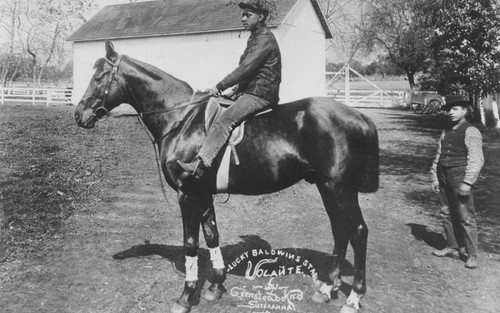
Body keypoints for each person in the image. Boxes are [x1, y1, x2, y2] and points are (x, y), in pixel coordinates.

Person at [177, 0, 281, 187]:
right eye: (243, 14)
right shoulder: (256, 37)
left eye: (248, 15)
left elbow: (246, 68)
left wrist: (220, 86)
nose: (243, 18)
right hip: (252, 89)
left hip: (261, 93)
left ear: (261, 17)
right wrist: (234, 90)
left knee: (225, 120)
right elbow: (251, 71)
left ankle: (200, 164)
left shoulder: (265, 39)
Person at [430, 94, 484, 269]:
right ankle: (452, 245)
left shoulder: (471, 131)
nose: (451, 113)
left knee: (465, 216)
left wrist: (467, 183)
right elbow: (439, 155)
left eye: (455, 109)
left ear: (465, 110)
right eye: (449, 110)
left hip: (460, 176)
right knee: (446, 212)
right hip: (444, 175)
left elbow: (476, 159)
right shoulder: (446, 131)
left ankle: (472, 254)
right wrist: (435, 177)